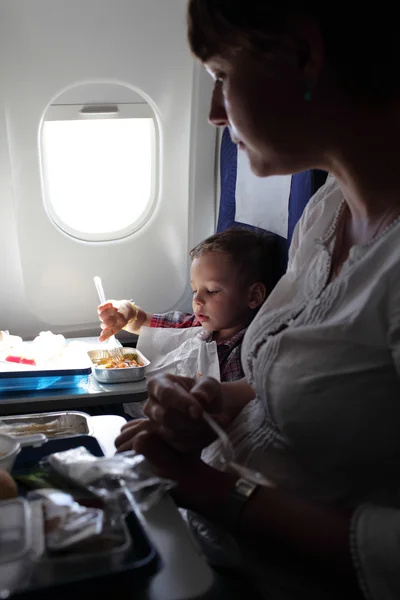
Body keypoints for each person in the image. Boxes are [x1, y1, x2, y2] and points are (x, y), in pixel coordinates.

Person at [118, 2, 400, 599]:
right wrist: (217, 400)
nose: (215, 114)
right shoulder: (327, 213)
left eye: (221, 74)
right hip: (225, 547)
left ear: (304, 55)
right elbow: (333, 384)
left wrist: (206, 488)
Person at [99, 227, 280, 420]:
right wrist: (125, 312)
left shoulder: (246, 351)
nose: (197, 301)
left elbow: (241, 412)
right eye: (195, 290)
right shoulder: (192, 325)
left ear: (253, 296)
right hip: (140, 408)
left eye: (211, 291)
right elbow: (141, 322)